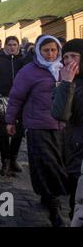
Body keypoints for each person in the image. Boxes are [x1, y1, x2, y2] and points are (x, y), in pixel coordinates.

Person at [5, 35, 67, 227]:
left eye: (54, 50)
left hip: (62, 126)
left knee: (59, 164)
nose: (50, 54)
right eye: (46, 50)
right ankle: (54, 205)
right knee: (45, 163)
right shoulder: (29, 72)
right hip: (37, 125)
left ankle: (49, 196)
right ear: (39, 51)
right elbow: (16, 97)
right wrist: (10, 120)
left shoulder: (65, 70)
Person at [50, 39, 83, 223]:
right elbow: (60, 114)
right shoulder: (67, 83)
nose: (69, 61)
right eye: (66, 57)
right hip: (74, 151)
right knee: (76, 205)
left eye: (74, 56)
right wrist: (66, 84)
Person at [0, 36, 25, 176]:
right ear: (5, 46)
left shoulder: (22, 61)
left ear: (18, 46)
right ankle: (5, 161)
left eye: (15, 44)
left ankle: (13, 159)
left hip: (20, 101)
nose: (12, 47)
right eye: (10, 44)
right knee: (3, 133)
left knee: (18, 132)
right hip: (2, 100)